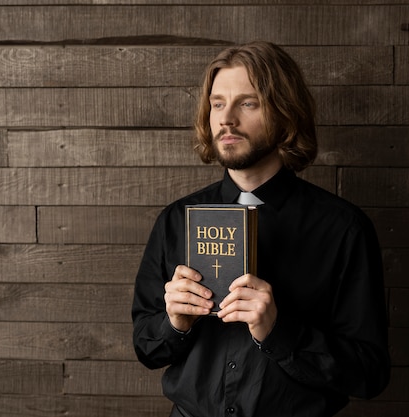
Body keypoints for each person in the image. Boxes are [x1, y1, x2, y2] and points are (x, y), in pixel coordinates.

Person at [131, 41, 390, 417]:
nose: (227, 119)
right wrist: (174, 324)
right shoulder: (175, 220)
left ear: (286, 114)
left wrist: (279, 332)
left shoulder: (344, 229)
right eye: (217, 103)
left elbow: (369, 373)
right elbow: (146, 347)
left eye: (247, 103)